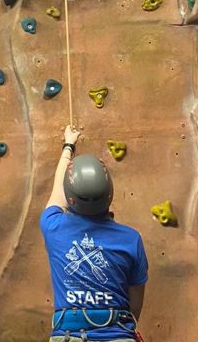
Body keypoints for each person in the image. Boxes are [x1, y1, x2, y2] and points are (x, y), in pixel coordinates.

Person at [40, 126, 147, 342]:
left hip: (67, 336)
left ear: (71, 197)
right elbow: (135, 305)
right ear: (110, 193)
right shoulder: (131, 239)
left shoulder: (53, 227)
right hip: (117, 334)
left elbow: (57, 191)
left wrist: (68, 145)